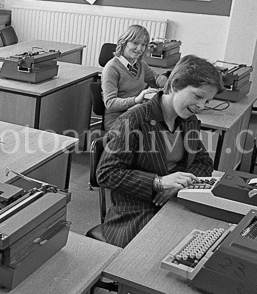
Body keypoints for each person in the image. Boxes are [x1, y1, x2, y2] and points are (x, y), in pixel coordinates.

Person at [96, 55, 224, 248]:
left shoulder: (189, 120)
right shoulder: (134, 119)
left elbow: (204, 162)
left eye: (207, 101)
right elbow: (106, 173)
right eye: (198, 96)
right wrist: (159, 182)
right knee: (164, 252)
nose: (201, 106)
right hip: (136, 211)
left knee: (209, 237)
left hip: (175, 201)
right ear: (174, 85)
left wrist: (178, 185)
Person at [101, 24, 169, 131]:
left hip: (136, 112)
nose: (139, 48)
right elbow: (110, 103)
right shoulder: (111, 68)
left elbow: (156, 80)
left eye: (143, 45)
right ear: (124, 43)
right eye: (135, 43)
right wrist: (136, 100)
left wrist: (169, 82)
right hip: (117, 118)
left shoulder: (141, 65)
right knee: (151, 132)